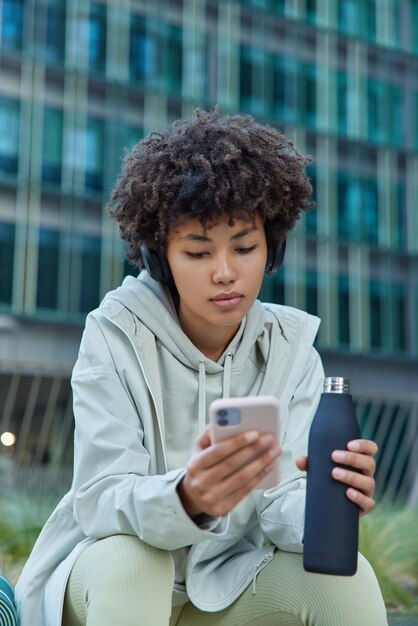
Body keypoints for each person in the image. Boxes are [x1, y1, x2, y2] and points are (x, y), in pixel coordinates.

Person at [15, 107, 388, 626]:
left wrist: (331, 504)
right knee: (135, 563)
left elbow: (282, 504)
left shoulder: (291, 348)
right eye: (197, 252)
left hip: (223, 586)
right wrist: (188, 497)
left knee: (346, 582)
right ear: (161, 258)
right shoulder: (114, 331)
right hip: (106, 577)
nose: (225, 273)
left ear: (271, 248)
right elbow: (100, 499)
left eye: (245, 247)